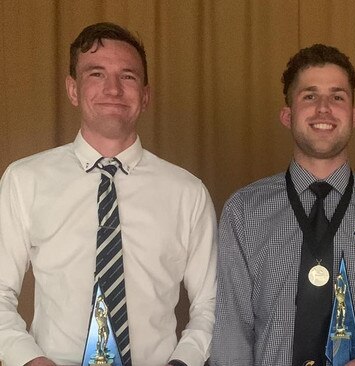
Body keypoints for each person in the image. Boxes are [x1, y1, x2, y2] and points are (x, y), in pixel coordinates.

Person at [0, 22, 217, 366]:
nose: (113, 89)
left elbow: (212, 302)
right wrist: (29, 360)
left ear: (145, 95)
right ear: (73, 90)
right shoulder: (24, 180)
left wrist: (184, 361)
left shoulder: (187, 193)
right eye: (96, 74)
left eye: (128, 76)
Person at [212, 44, 355, 366]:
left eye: (337, 96)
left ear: (354, 116)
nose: (324, 109)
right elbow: (232, 323)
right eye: (309, 96)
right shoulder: (244, 211)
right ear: (288, 115)